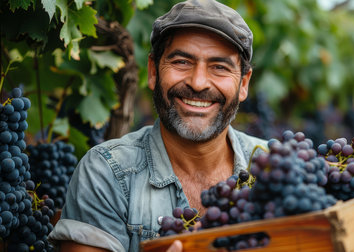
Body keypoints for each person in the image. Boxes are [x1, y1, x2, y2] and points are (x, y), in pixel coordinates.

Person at [48, 0, 267, 251]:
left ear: (244, 84)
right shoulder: (105, 172)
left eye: (219, 67)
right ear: (153, 71)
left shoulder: (277, 168)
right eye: (182, 62)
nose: (198, 83)